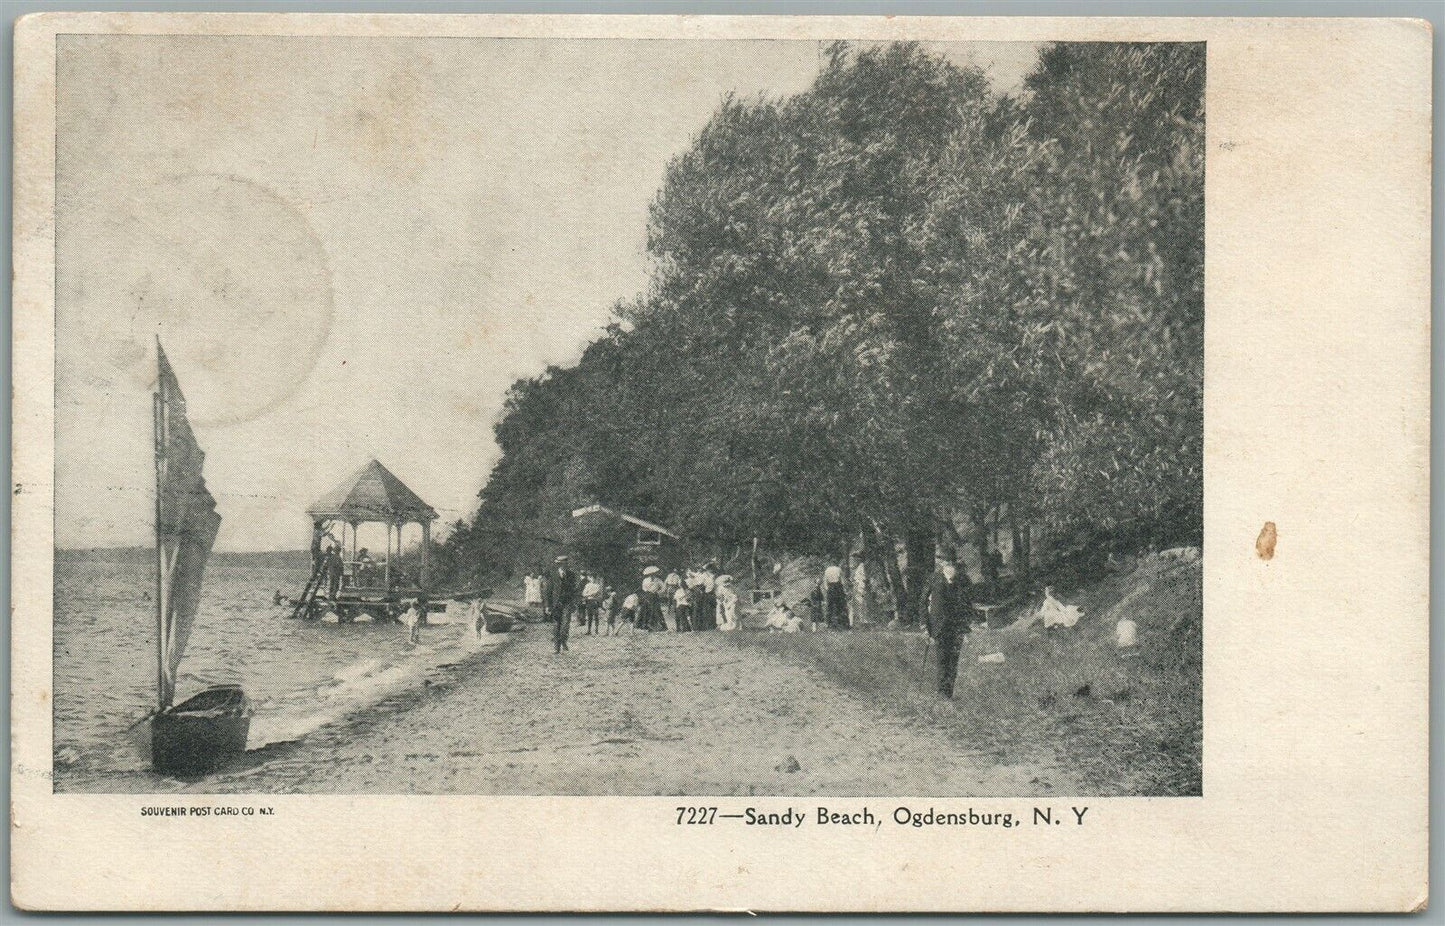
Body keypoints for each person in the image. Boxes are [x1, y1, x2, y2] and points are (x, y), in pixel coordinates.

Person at [924, 550, 972, 699]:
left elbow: (968, 604)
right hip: (938, 627)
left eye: (952, 563)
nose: (950, 566)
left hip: (957, 627)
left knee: (953, 661)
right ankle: (942, 692)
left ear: (956, 565)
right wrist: (925, 626)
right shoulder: (933, 579)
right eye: (946, 563)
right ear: (941, 564)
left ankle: (948, 693)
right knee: (942, 659)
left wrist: (966, 625)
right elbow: (923, 602)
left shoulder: (963, 580)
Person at [543, 555, 580, 653]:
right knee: (556, 625)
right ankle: (557, 646)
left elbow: (574, 591)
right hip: (555, 604)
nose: (564, 565)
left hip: (567, 603)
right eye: (562, 563)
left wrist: (574, 603)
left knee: (565, 625)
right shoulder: (553, 574)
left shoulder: (571, 575)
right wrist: (547, 605)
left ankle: (563, 640)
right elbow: (547, 591)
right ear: (559, 564)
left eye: (566, 563)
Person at [822, 562, 848, 628]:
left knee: (830, 606)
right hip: (837, 587)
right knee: (840, 605)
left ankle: (829, 623)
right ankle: (840, 623)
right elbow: (842, 581)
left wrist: (828, 589)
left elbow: (825, 581)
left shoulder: (827, 570)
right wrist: (844, 590)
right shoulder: (838, 569)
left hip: (830, 587)